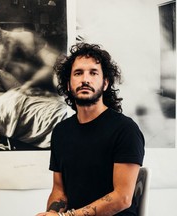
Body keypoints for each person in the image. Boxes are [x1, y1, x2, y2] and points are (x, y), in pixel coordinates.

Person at [36, 43, 145, 216]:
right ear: (69, 85)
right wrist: (52, 213)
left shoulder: (125, 129)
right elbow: (59, 191)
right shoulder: (61, 132)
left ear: (105, 83)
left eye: (93, 73)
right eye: (78, 73)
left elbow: (122, 198)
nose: (85, 79)